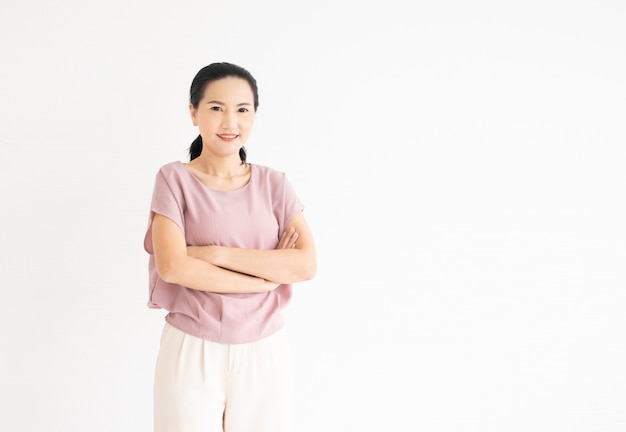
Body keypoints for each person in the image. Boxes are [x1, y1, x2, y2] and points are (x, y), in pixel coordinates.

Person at [143, 62, 317, 432]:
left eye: (242, 110)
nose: (230, 123)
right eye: (216, 108)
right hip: (191, 348)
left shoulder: (275, 184)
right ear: (194, 112)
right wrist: (265, 277)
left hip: (264, 350)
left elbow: (305, 265)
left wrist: (214, 254)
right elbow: (174, 267)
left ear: (255, 115)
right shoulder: (173, 180)